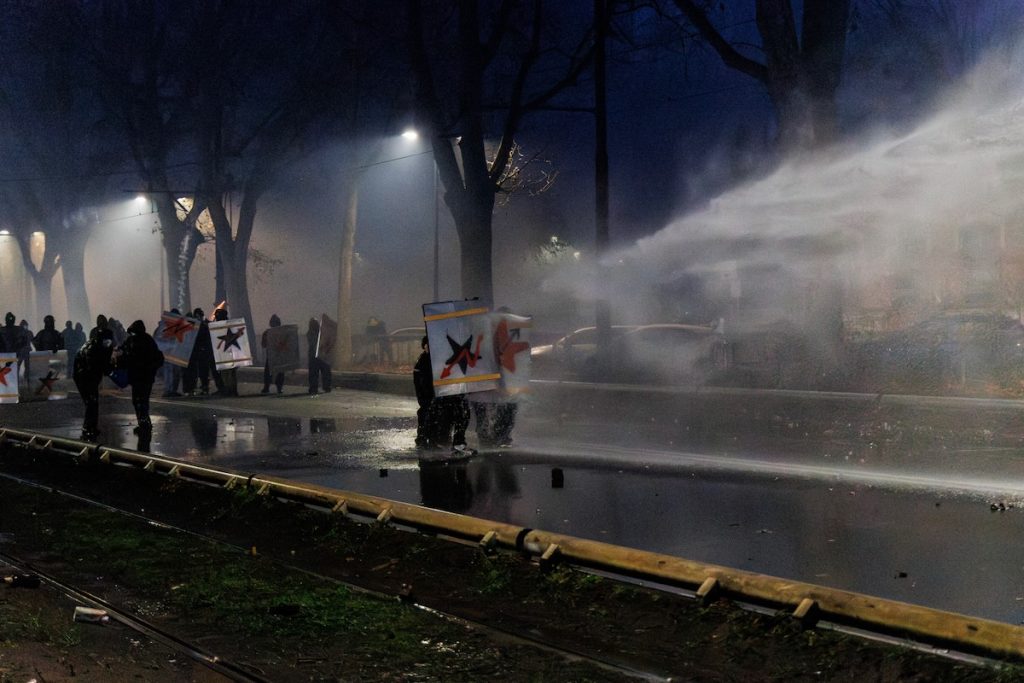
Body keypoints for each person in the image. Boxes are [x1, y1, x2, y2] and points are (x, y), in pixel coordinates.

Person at [117, 320, 164, 434]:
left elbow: (126, 356)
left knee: (138, 400)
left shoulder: (133, 341)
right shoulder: (148, 340)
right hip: (146, 376)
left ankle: (143, 423)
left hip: (138, 376)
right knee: (143, 400)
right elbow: (158, 357)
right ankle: (144, 423)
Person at [73, 327, 115, 441]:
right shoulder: (91, 348)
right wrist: (109, 369)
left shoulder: (101, 347)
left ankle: (91, 427)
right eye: (106, 341)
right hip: (83, 376)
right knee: (91, 402)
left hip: (90, 376)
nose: (108, 343)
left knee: (93, 402)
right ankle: (88, 427)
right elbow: (94, 365)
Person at [413, 336, 435, 448]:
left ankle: (426, 436)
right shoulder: (423, 360)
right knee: (426, 410)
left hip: (428, 390)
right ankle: (423, 436)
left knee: (428, 411)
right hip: (425, 390)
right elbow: (419, 380)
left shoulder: (427, 358)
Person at [212, 306, 237, 396]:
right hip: (227, 352)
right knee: (228, 372)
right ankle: (231, 390)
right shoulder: (231, 325)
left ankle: (230, 390)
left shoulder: (221, 326)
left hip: (227, 352)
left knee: (227, 372)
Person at [160, 309, 183, 397]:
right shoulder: (166, 325)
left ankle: (171, 390)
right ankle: (169, 390)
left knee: (173, 372)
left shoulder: (166, 325)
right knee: (170, 372)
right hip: (169, 352)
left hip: (172, 352)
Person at [306, 317, 331, 394]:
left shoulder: (310, 333)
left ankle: (314, 388)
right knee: (325, 372)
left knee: (314, 373)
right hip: (322, 356)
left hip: (314, 356)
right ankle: (326, 387)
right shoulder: (320, 333)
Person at [261, 314, 284, 394]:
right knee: (279, 372)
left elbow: (263, 345)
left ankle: (267, 387)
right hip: (277, 355)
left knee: (269, 372)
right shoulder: (282, 333)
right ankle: (278, 388)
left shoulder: (267, 333)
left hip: (272, 355)